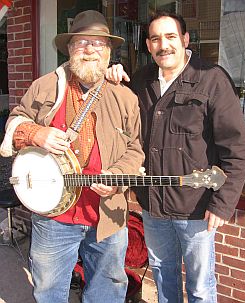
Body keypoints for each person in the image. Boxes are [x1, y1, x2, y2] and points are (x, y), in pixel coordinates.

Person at [0, 10, 144, 303]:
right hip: (54, 216)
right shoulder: (44, 86)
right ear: (69, 49)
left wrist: (117, 178)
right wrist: (35, 134)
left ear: (108, 52)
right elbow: (16, 121)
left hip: (107, 215)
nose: (90, 49)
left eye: (98, 43)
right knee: (49, 292)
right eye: (81, 42)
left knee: (107, 291)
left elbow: (135, 150)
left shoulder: (125, 97)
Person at [106, 10, 245, 303]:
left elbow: (236, 151)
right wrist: (112, 77)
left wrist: (223, 205)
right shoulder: (141, 81)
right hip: (153, 205)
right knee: (162, 273)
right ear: (148, 45)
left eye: (171, 36)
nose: (164, 45)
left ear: (185, 39)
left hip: (196, 207)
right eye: (156, 39)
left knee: (199, 286)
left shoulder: (211, 80)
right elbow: (123, 127)